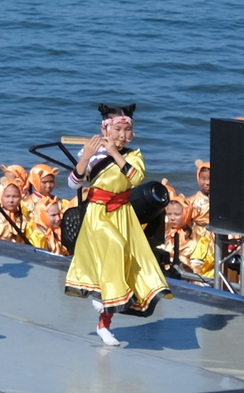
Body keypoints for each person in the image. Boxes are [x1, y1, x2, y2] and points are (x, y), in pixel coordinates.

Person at [63, 103, 169, 344]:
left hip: (123, 213)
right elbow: (74, 183)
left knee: (127, 266)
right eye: (118, 130)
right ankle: (101, 295)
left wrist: (114, 153)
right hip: (98, 213)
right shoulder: (92, 154)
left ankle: (104, 324)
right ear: (106, 130)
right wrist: (86, 157)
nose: (122, 135)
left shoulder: (134, 156)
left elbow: (136, 178)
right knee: (115, 246)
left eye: (126, 130)